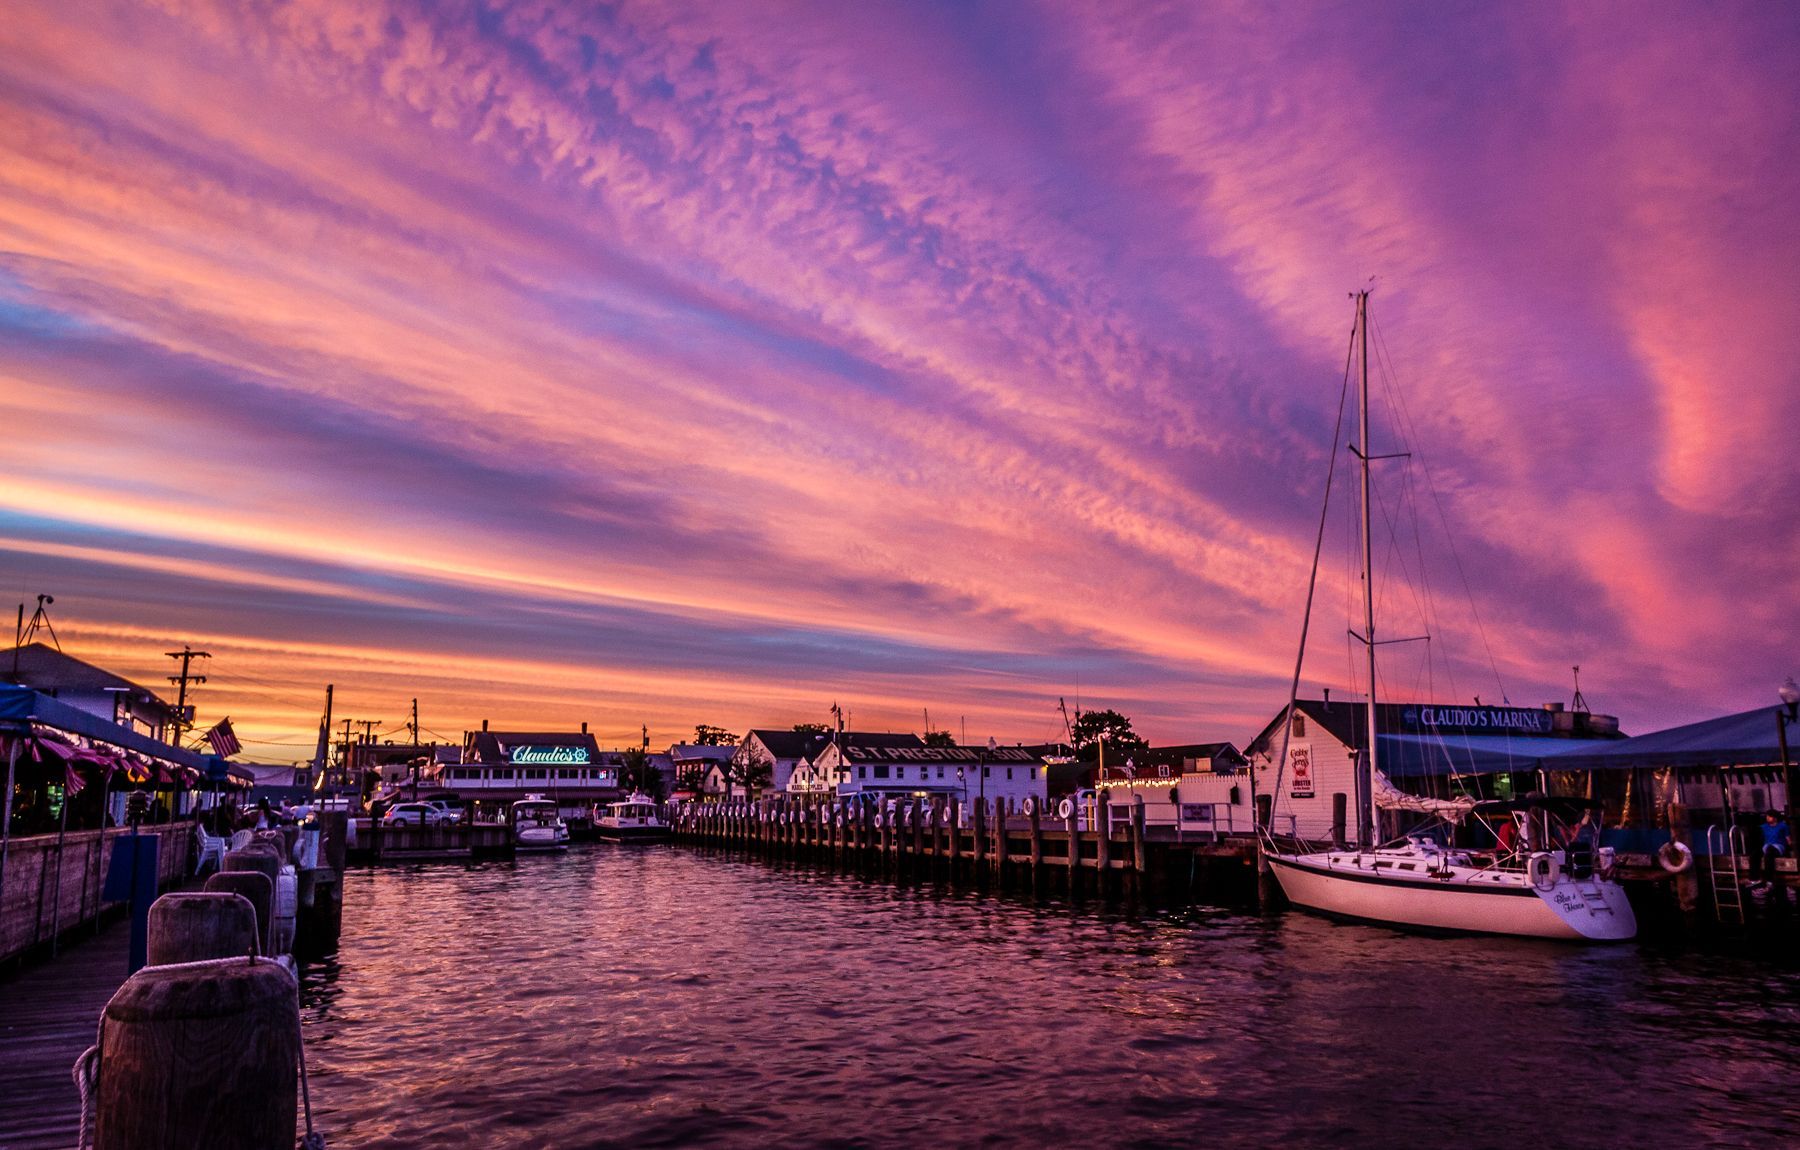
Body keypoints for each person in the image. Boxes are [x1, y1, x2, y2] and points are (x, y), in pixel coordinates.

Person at [1760, 811, 1791, 888]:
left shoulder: (1783, 826)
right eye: (1767, 816)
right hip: (1766, 846)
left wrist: (1789, 850)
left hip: (1778, 846)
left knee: (1769, 852)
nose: (1767, 818)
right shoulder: (1764, 826)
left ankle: (1769, 880)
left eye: (1769, 816)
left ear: (1775, 818)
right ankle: (1753, 879)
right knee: (1755, 853)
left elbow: (1788, 839)